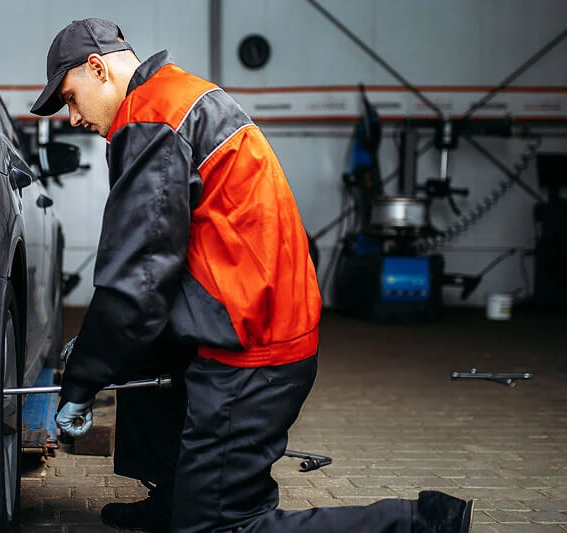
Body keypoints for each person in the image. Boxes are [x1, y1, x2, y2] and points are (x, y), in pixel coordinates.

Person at [32, 18, 474, 533]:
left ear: (97, 68)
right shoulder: (180, 94)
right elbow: (157, 272)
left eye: (70, 98)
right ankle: (175, 497)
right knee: (137, 352)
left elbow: (137, 282)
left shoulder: (151, 117)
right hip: (251, 315)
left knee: (219, 527)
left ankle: (420, 523)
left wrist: (83, 378)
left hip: (252, 352)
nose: (72, 117)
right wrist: (100, 352)